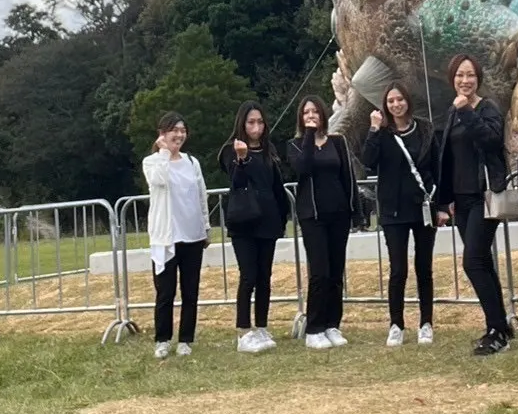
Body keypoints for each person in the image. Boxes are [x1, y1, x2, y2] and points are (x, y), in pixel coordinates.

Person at [436, 53, 512, 356]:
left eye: (470, 75)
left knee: (472, 262)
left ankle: (495, 330)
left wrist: (467, 110)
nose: (464, 81)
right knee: (482, 262)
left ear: (478, 78)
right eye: (459, 75)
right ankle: (501, 325)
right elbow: (448, 159)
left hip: (485, 196)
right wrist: (446, 200)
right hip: (462, 200)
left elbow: (491, 141)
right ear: (452, 78)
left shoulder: (486, 108)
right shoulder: (452, 111)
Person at [361, 83, 440, 348]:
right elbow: (368, 160)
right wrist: (373, 128)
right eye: (391, 101)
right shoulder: (382, 134)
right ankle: (396, 324)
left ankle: (426, 322)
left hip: (422, 206)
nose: (396, 105)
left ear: (408, 101)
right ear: (386, 105)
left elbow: (436, 167)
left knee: (423, 267)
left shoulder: (425, 129)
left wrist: (441, 205)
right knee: (398, 269)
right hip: (393, 211)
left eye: (400, 99)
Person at [288, 96, 362, 350]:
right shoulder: (296, 145)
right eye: (306, 112)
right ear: (301, 117)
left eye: (315, 112)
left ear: (323, 115)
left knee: (335, 272)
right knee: (319, 272)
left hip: (338, 213)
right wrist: (309, 135)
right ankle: (314, 327)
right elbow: (303, 168)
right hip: (313, 217)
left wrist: (355, 210)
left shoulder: (337, 142)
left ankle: (332, 324)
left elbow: (348, 177)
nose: (311, 115)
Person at [218, 101, 290, 354]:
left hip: (268, 221)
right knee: (248, 276)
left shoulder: (269, 151)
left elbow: (275, 185)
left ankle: (261, 326)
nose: (256, 127)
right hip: (244, 222)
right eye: (251, 122)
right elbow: (239, 181)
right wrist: (243, 158)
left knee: (264, 277)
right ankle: (243, 330)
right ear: (242, 124)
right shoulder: (232, 150)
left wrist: (283, 217)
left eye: (260, 122)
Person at [142, 112, 210, 359]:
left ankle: (185, 339)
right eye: (175, 130)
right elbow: (158, 181)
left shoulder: (192, 162)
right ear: (163, 133)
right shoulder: (152, 162)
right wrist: (162, 152)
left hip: (192, 236)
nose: (179, 135)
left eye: (183, 130)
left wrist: (206, 227)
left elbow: (201, 195)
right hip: (165, 238)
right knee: (165, 292)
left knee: (190, 291)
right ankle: (162, 339)